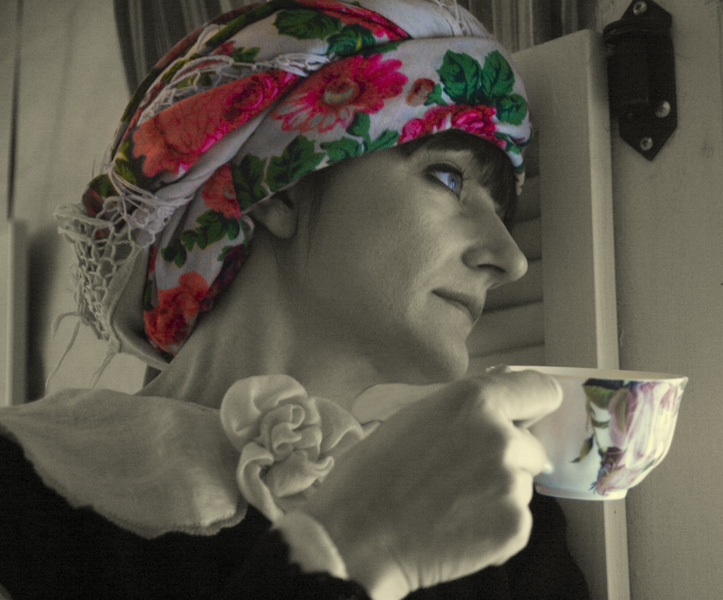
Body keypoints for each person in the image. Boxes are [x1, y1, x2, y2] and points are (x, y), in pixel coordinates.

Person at [0, 1, 591, 599]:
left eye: (504, 214)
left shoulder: (504, 522)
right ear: (275, 189)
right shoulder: (17, 485)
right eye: (447, 178)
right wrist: (359, 556)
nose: (511, 259)